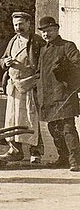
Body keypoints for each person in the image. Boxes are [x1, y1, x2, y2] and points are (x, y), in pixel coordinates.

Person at [0, 11, 45, 163]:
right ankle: (15, 151)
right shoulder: (13, 40)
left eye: (21, 24)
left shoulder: (37, 41)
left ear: (29, 24)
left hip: (30, 84)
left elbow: (43, 64)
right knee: (12, 118)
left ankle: (35, 152)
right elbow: (3, 58)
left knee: (31, 118)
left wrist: (28, 69)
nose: (18, 28)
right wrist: (6, 62)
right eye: (15, 25)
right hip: (14, 85)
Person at [36, 16, 80, 171]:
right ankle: (63, 158)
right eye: (43, 32)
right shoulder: (43, 49)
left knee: (68, 128)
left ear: (56, 30)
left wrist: (64, 70)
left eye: (49, 31)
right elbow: (40, 73)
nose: (46, 34)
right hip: (48, 97)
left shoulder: (67, 46)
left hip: (64, 94)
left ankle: (75, 161)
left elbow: (77, 64)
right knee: (53, 129)